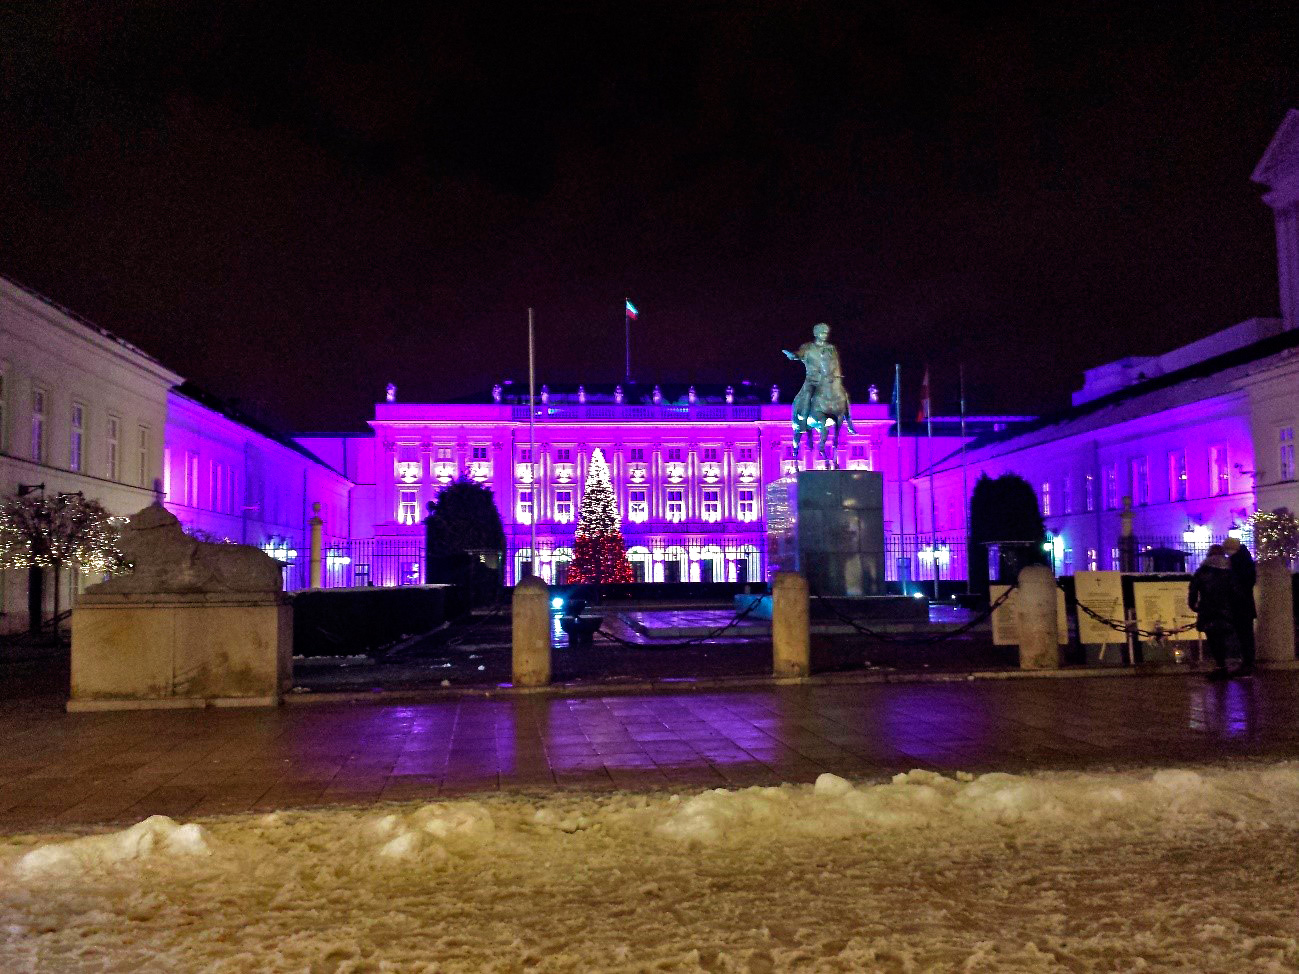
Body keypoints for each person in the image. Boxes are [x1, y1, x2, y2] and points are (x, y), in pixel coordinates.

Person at [1187, 544, 1240, 681]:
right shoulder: (1229, 571)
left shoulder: (1202, 571)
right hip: (1225, 610)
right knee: (1223, 638)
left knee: (1213, 638)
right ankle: (1223, 667)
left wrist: (1194, 605)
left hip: (1207, 609)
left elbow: (1193, 590)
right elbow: (1235, 591)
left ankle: (1220, 666)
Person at [1222, 537, 1257, 677]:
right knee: (1246, 635)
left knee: (1244, 635)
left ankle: (1247, 663)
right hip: (1246, 604)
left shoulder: (1236, 562)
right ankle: (1248, 662)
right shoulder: (1246, 560)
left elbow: (1234, 583)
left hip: (1239, 605)